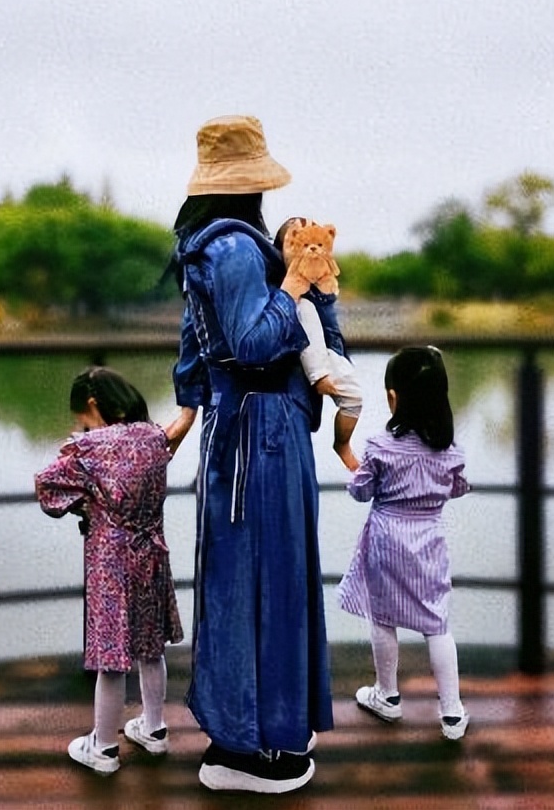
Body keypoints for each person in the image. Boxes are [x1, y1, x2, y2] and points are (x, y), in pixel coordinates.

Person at [164, 115, 333, 794]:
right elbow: (253, 344)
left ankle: (253, 731)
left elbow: (193, 355)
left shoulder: (216, 246)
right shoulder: (237, 249)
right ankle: (258, 745)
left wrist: (188, 411)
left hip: (246, 433)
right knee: (268, 579)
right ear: (251, 186)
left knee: (244, 579)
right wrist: (294, 290)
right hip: (258, 439)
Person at [35, 366, 183, 775]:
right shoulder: (154, 436)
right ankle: (154, 730)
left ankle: (103, 746)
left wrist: (81, 501)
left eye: (81, 417)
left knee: (111, 654)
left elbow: (48, 488)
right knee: (150, 647)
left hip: (111, 560)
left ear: (93, 405)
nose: (79, 426)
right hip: (151, 551)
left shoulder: (90, 448)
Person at [337, 345, 471, 740]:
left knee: (383, 616)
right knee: (437, 623)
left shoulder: (380, 446)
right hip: (429, 537)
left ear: (393, 398)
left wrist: (348, 456)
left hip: (386, 539)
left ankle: (388, 695)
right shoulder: (450, 452)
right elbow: (458, 487)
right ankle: (452, 712)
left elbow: (362, 492)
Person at [274, 216, 362, 471]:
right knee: (304, 307)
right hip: (310, 367)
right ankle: (319, 378)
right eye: (296, 241)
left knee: (353, 397)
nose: (307, 249)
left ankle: (342, 443)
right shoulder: (284, 291)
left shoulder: (323, 281)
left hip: (330, 352)